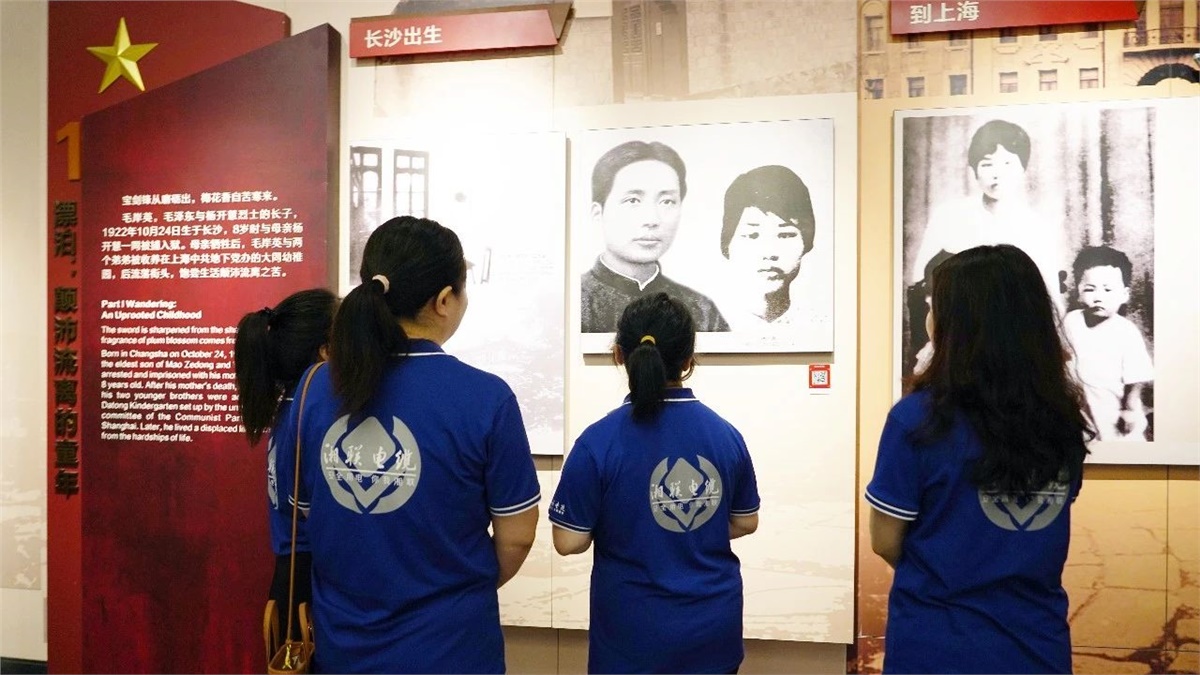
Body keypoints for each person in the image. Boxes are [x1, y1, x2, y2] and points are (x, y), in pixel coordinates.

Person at [277, 216, 541, 673]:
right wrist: (456, 587)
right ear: (444, 300)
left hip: (343, 649)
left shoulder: (315, 387)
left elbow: (303, 512)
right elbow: (516, 538)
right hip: (452, 649)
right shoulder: (486, 398)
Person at [867, 244, 1093, 674]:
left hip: (936, 645)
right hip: (1036, 645)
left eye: (934, 307)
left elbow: (885, 541)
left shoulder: (916, 419)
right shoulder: (1062, 418)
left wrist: (947, 572)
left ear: (957, 324)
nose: (929, 317)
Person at [551, 292, 760, 674]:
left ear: (619, 355)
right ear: (689, 361)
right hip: (713, 632)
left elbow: (568, 541)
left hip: (632, 639)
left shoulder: (597, 442)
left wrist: (635, 526)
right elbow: (746, 521)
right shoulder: (726, 436)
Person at [233, 287, 338, 638]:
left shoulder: (293, 407)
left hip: (294, 573)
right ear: (325, 350)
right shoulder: (310, 415)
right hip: (307, 582)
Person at [908, 119, 1065, 310]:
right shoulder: (947, 216)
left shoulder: (1038, 227)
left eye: (1007, 163)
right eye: (987, 164)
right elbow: (919, 281)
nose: (997, 174)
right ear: (974, 171)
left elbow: (1051, 296)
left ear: (1023, 169)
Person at [580, 140, 730, 334]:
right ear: (598, 213)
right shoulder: (575, 301)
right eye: (633, 200)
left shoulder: (701, 310)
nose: (652, 219)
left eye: (667, 201)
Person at [1063, 245, 1154, 441]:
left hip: (1115, 406)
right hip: (1084, 403)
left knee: (1117, 440)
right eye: (1090, 289)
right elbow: (1063, 354)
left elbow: (1136, 377)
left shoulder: (1126, 332)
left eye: (1107, 290)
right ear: (1078, 291)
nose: (1098, 297)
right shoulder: (1071, 321)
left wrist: (1128, 409)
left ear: (1124, 294)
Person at [718, 164, 818, 327]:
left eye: (785, 235)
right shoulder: (709, 321)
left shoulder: (817, 323)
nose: (769, 252)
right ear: (727, 243)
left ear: (806, 241)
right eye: (752, 235)